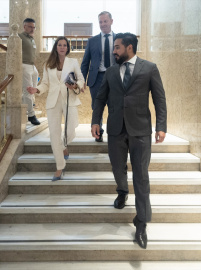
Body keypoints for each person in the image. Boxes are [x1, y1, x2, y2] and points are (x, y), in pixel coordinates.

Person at [91, 33, 167, 249]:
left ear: (129, 48)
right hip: (115, 128)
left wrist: (161, 126)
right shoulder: (112, 71)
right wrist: (95, 120)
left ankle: (142, 223)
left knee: (141, 176)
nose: (113, 51)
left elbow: (159, 98)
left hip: (141, 130)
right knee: (117, 167)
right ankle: (122, 191)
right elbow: (100, 97)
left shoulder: (149, 68)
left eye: (117, 47)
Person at [27, 36, 84, 181]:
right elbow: (45, 83)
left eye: (65, 45)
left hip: (69, 99)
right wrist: (37, 90)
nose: (62, 47)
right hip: (53, 102)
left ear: (67, 48)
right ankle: (59, 166)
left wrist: (76, 86)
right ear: (56, 47)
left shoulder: (73, 62)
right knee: (54, 134)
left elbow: (81, 79)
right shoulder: (48, 64)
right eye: (60, 45)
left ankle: (64, 145)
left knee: (70, 130)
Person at [81, 11, 116, 142]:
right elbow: (85, 62)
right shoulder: (92, 41)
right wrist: (81, 80)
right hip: (97, 79)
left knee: (114, 107)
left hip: (114, 78)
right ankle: (98, 132)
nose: (103, 24)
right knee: (97, 106)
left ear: (111, 21)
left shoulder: (119, 39)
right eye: (100, 22)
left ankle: (114, 133)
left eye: (105, 21)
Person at [19, 18, 40, 125]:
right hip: (24, 65)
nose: (32, 29)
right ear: (24, 26)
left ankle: (27, 110)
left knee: (33, 90)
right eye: (30, 27)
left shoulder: (31, 38)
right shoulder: (19, 37)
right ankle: (31, 116)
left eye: (34, 27)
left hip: (32, 66)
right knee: (27, 90)